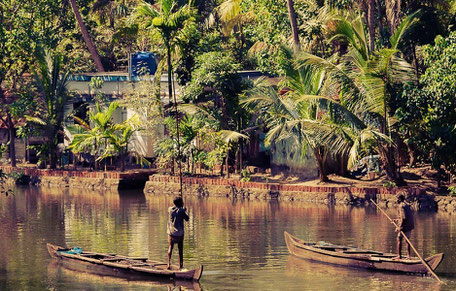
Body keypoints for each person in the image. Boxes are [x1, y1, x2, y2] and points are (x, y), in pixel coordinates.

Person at [167, 196, 189, 270]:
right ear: (180, 203)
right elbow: (187, 219)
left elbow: (175, 209)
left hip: (171, 233)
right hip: (179, 233)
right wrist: (184, 211)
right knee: (180, 249)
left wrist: (182, 209)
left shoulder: (170, 209)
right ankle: (180, 266)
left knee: (170, 247)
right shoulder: (182, 211)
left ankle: (168, 264)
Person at [395, 193, 415, 259]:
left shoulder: (401, 206)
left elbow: (404, 218)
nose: (396, 200)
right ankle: (408, 256)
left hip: (405, 226)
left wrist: (400, 227)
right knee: (407, 240)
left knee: (399, 239)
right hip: (409, 225)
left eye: (397, 199)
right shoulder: (406, 205)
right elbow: (403, 217)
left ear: (399, 199)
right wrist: (396, 220)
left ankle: (399, 256)